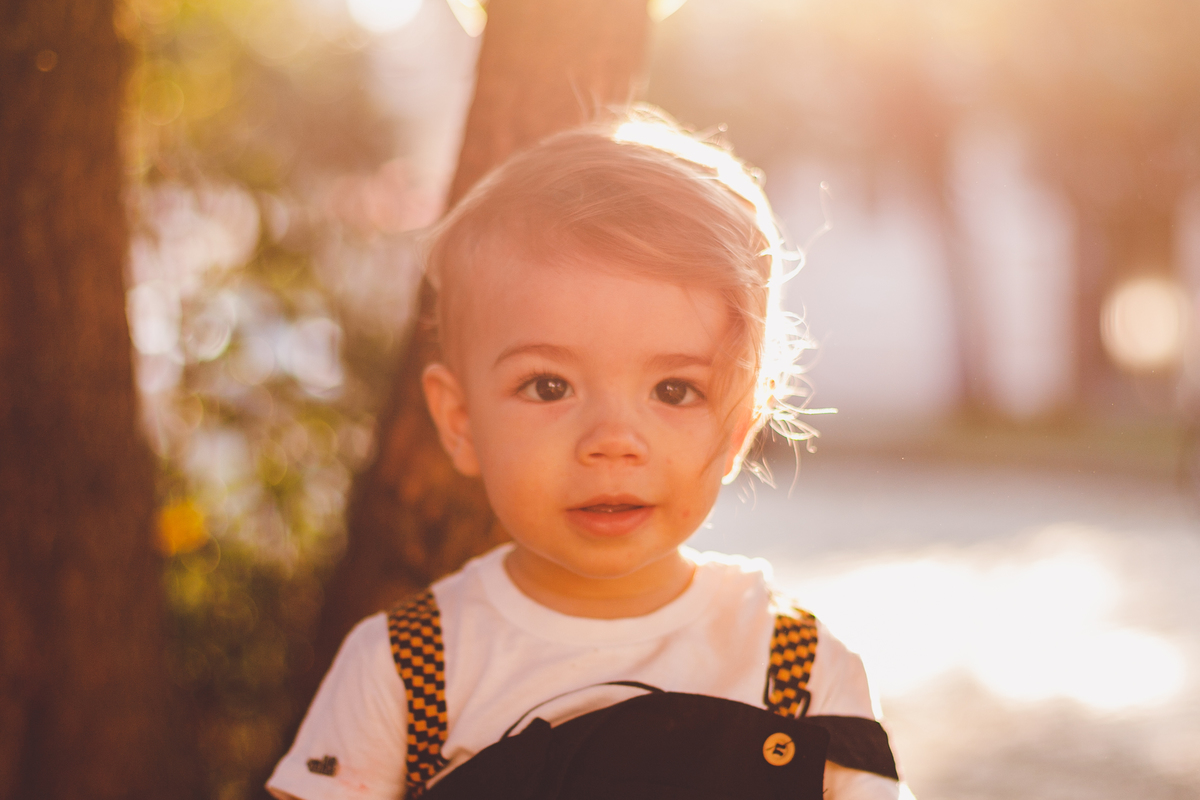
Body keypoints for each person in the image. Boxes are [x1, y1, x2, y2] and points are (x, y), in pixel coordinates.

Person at [267, 107, 909, 800]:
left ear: (738, 426)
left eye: (673, 389)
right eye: (549, 386)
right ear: (459, 421)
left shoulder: (800, 672)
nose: (611, 441)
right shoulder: (409, 667)